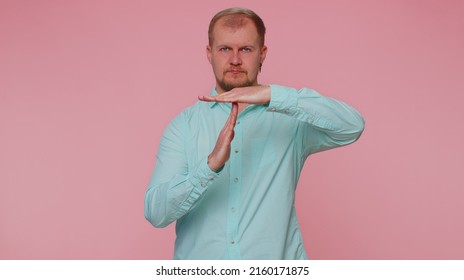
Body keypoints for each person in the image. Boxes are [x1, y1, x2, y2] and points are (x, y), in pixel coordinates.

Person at [144, 7, 365, 260]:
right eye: (225, 49)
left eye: (246, 49)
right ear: (209, 54)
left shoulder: (290, 122)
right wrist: (208, 167)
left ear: (263, 54)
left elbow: (352, 126)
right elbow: (155, 212)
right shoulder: (183, 126)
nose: (235, 60)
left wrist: (273, 95)